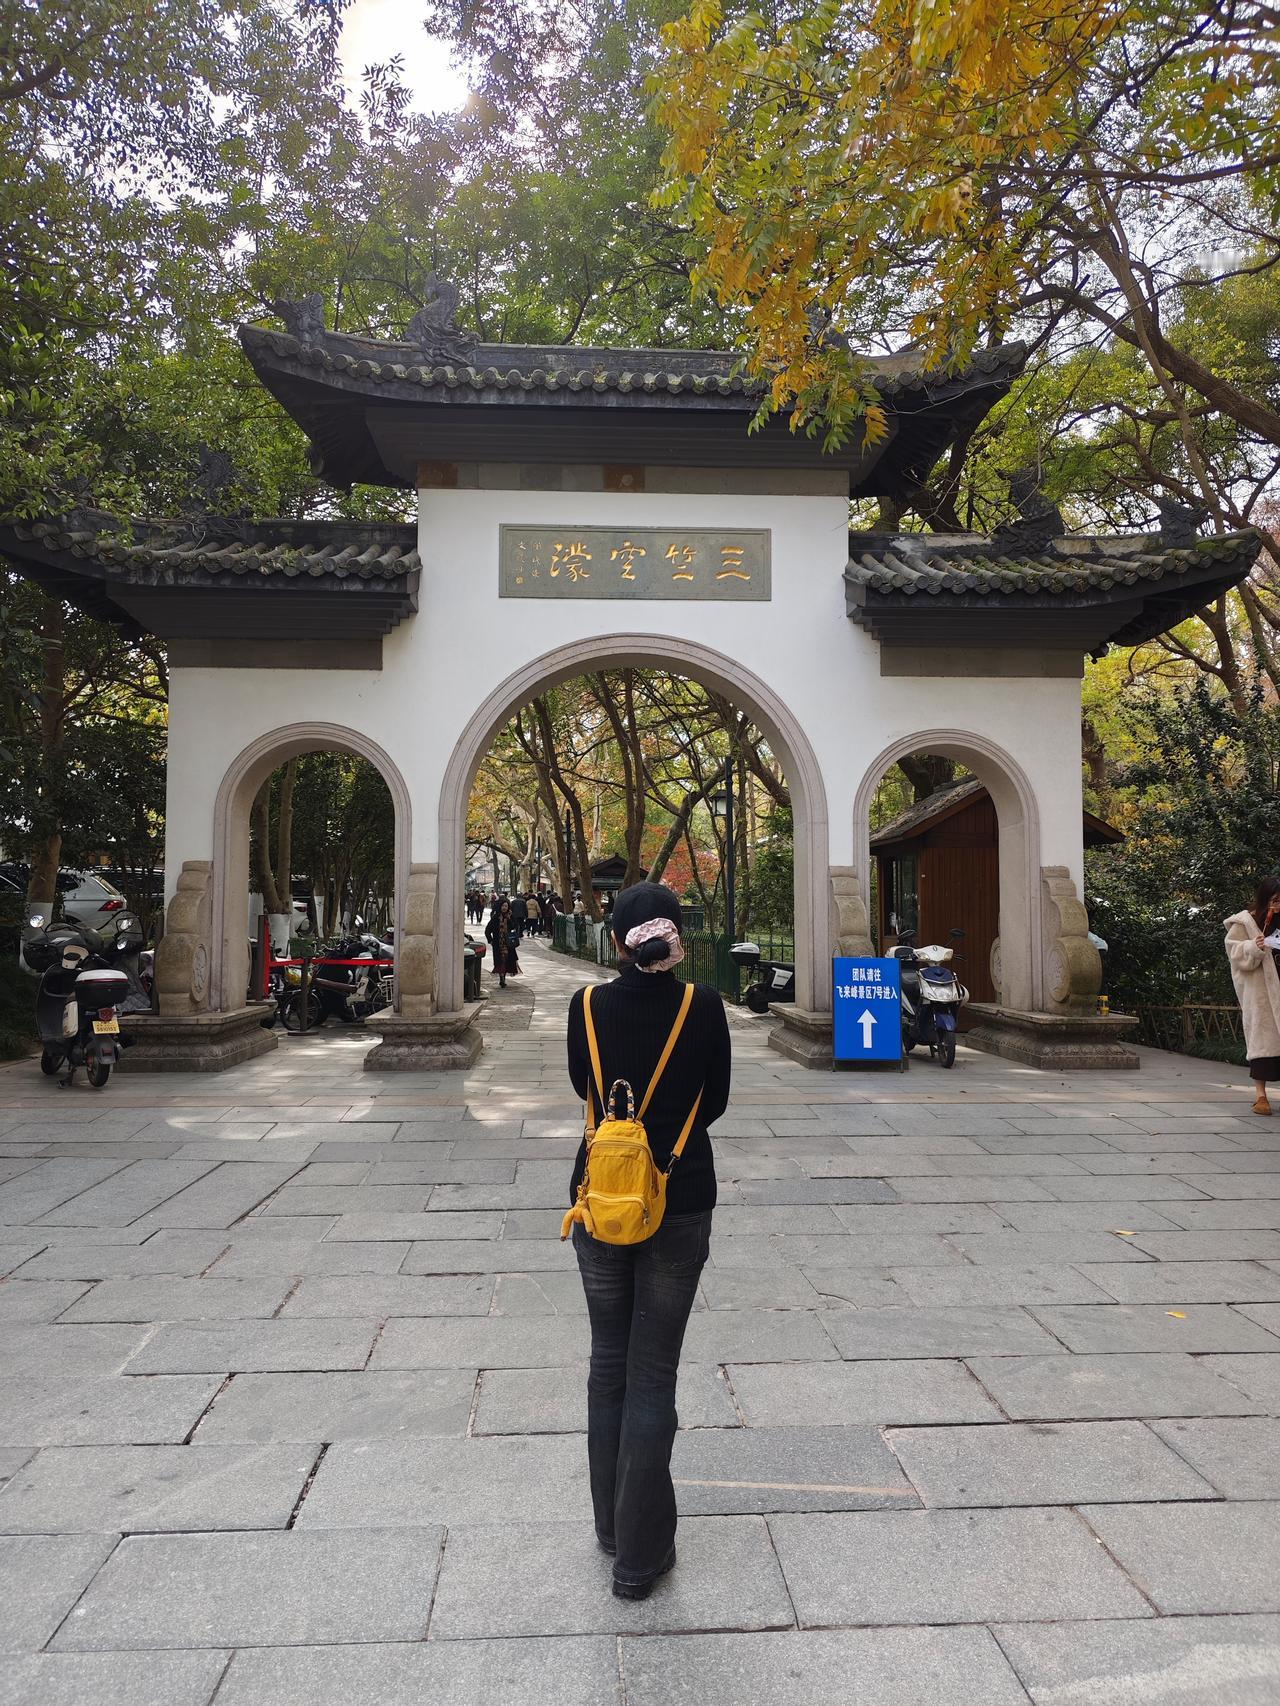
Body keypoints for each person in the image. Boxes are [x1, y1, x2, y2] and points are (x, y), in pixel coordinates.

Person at [565, 882, 731, 1600]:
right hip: (680, 1198)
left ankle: (611, 1526)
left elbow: (584, 1085)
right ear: (677, 939)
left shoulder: (586, 1007)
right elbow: (715, 1100)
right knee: (653, 1370)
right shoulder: (704, 1007)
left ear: (618, 943)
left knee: (608, 1361)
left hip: (599, 1200)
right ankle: (640, 1554)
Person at [1225, 875, 1280, 1114]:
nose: (1277, 905)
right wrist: (1252, 947)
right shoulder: (1244, 922)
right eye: (1275, 900)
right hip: (1261, 992)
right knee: (1262, 1042)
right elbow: (1233, 951)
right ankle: (1261, 1096)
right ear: (1264, 898)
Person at [486, 896, 520, 987]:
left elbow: (514, 927)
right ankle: (502, 978)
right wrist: (490, 940)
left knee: (506, 960)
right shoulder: (495, 918)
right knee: (500, 961)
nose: (504, 908)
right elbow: (487, 930)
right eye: (503, 906)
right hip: (498, 944)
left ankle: (503, 977)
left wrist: (509, 919)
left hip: (508, 943)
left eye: (506, 906)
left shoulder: (510, 917)